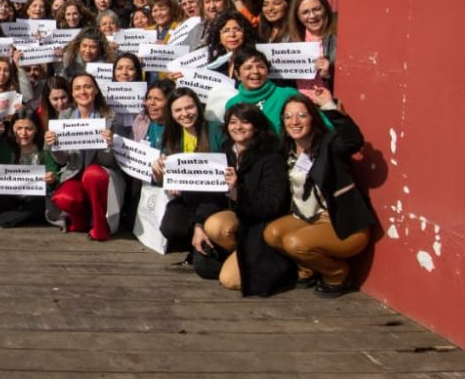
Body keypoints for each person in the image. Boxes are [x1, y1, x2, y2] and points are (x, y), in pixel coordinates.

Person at [264, 91, 374, 297]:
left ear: (313, 118)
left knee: (294, 242)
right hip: (307, 218)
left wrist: (329, 106)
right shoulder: (285, 150)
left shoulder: (329, 145)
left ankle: (337, 274)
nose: (294, 122)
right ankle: (308, 268)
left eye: (302, 115)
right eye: (288, 117)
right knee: (272, 233)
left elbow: (353, 141)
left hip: (341, 223)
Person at [203, 104, 293, 296]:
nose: (238, 127)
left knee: (229, 280)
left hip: (260, 225)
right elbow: (211, 192)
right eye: (233, 122)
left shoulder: (271, 156)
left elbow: (272, 205)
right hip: (238, 218)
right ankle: (240, 255)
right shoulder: (225, 151)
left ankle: (277, 264)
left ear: (257, 126)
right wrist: (197, 225)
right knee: (212, 227)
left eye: (245, 122)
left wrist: (238, 191)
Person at [46, 73, 124, 240]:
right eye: (78, 88)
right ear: (72, 93)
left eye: (88, 87)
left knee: (92, 174)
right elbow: (62, 160)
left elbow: (108, 162)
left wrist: (107, 145)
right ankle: (80, 221)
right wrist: (54, 145)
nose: (83, 91)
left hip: (102, 175)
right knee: (64, 198)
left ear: (96, 90)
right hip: (74, 172)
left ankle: (100, 227)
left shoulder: (109, 116)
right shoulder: (65, 115)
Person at [154, 88, 228, 252]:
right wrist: (159, 171)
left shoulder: (217, 130)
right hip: (186, 197)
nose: (185, 114)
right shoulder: (172, 135)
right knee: (171, 228)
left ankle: (201, 235)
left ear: (199, 108)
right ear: (171, 114)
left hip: (214, 198)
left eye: (189, 107)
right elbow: (162, 180)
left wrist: (199, 224)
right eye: (178, 110)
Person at [0, 109, 61, 228]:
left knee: (41, 203)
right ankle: (22, 216)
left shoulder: (44, 147)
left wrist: (52, 178)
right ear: (12, 129)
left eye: (29, 129)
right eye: (19, 128)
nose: (23, 133)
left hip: (35, 196)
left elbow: (55, 173)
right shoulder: (5, 146)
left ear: (36, 129)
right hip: (10, 196)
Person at [222, 49, 328, 135]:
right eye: (248, 68)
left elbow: (323, 123)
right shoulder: (232, 104)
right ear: (237, 74)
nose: (255, 72)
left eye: (261, 67)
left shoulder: (287, 95)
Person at [287, 0, 338, 99]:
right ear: (298, 17)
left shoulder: (338, 38)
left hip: (329, 104)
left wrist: (329, 74)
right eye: (305, 12)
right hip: (300, 104)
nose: (312, 16)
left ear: (325, 9)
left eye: (317, 9)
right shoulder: (291, 41)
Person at [203, 11, 258, 78]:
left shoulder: (254, 60)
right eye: (226, 31)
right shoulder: (217, 63)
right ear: (218, 37)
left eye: (237, 30)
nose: (232, 35)